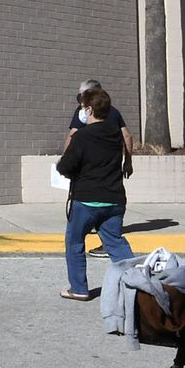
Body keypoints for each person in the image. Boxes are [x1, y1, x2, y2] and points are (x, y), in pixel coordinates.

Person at [56, 87, 134, 301]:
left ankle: (79, 288)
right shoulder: (115, 135)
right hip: (114, 199)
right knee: (115, 242)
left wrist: (66, 168)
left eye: (83, 107)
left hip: (86, 200)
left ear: (89, 109)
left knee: (75, 242)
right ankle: (135, 284)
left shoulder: (82, 137)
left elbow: (65, 166)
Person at [64, 78, 134, 258]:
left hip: (88, 190)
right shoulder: (114, 113)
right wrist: (128, 161)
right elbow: (126, 135)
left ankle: (78, 286)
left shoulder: (85, 114)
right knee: (113, 235)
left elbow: (73, 136)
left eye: (82, 95)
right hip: (113, 189)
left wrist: (67, 162)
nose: (80, 100)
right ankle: (134, 280)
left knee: (75, 239)